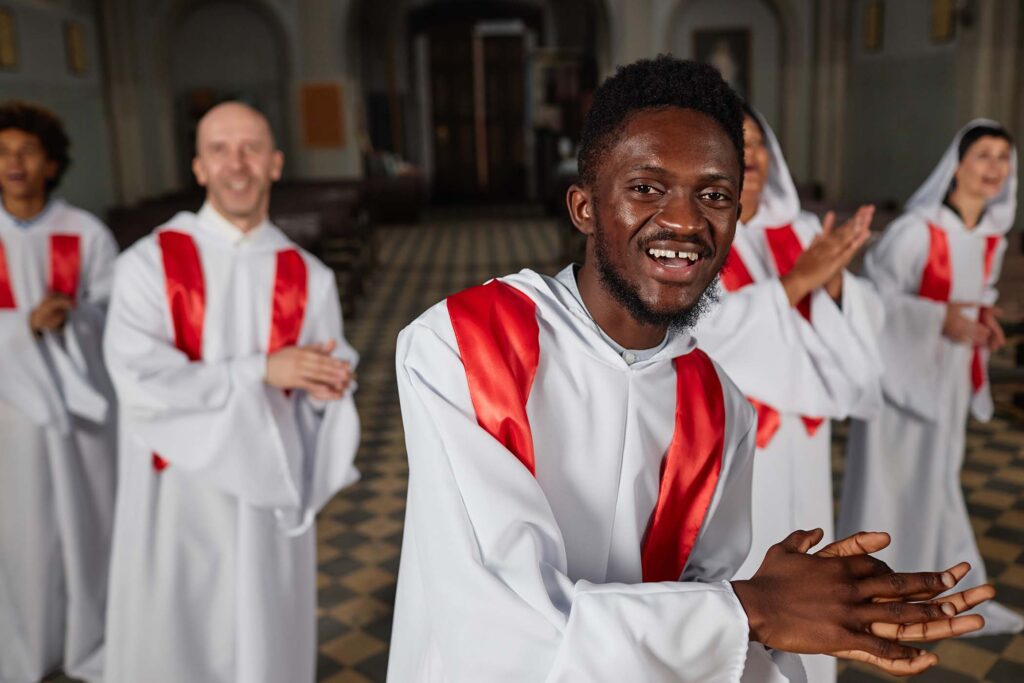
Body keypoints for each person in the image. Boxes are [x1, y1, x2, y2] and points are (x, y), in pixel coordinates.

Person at [388, 57, 993, 683]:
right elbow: (502, 624)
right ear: (584, 207)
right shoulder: (463, 347)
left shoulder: (718, 404)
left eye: (714, 194)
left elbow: (712, 622)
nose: (684, 220)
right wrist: (757, 608)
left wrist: (792, 618)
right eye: (647, 188)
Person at [102, 102, 361, 683]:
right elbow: (139, 378)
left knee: (262, 637)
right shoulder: (146, 264)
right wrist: (259, 371)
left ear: (275, 163)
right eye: (220, 149)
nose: (235, 164)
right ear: (198, 167)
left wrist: (328, 390)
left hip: (265, 492)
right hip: (177, 495)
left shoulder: (308, 275)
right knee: (175, 638)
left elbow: (322, 375)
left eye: (250, 149)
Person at [692, 106, 885, 681]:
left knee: (812, 550)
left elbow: (853, 314)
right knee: (756, 568)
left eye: (759, 146)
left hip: (804, 434)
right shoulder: (697, 230)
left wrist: (832, 280)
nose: (751, 158)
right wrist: (797, 282)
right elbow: (709, 331)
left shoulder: (799, 230)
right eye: (737, 144)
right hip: (743, 436)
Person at [839, 119, 1022, 636]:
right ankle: (872, 592)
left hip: (947, 381)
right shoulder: (916, 231)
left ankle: (930, 588)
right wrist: (938, 319)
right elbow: (872, 301)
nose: (994, 168)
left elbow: (975, 297)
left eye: (1003, 158)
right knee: (890, 482)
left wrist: (980, 323)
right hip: (901, 380)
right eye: (983, 155)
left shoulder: (991, 236)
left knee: (937, 481)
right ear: (957, 165)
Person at [0, 101, 118, 683]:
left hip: (79, 417)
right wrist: (22, 327)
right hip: (9, 417)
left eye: (26, 151)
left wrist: (75, 318)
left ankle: (88, 639)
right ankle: (25, 646)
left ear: (50, 162)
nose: (13, 162)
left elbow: (117, 316)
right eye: (2, 152)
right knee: (20, 537)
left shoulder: (84, 232)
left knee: (87, 527)